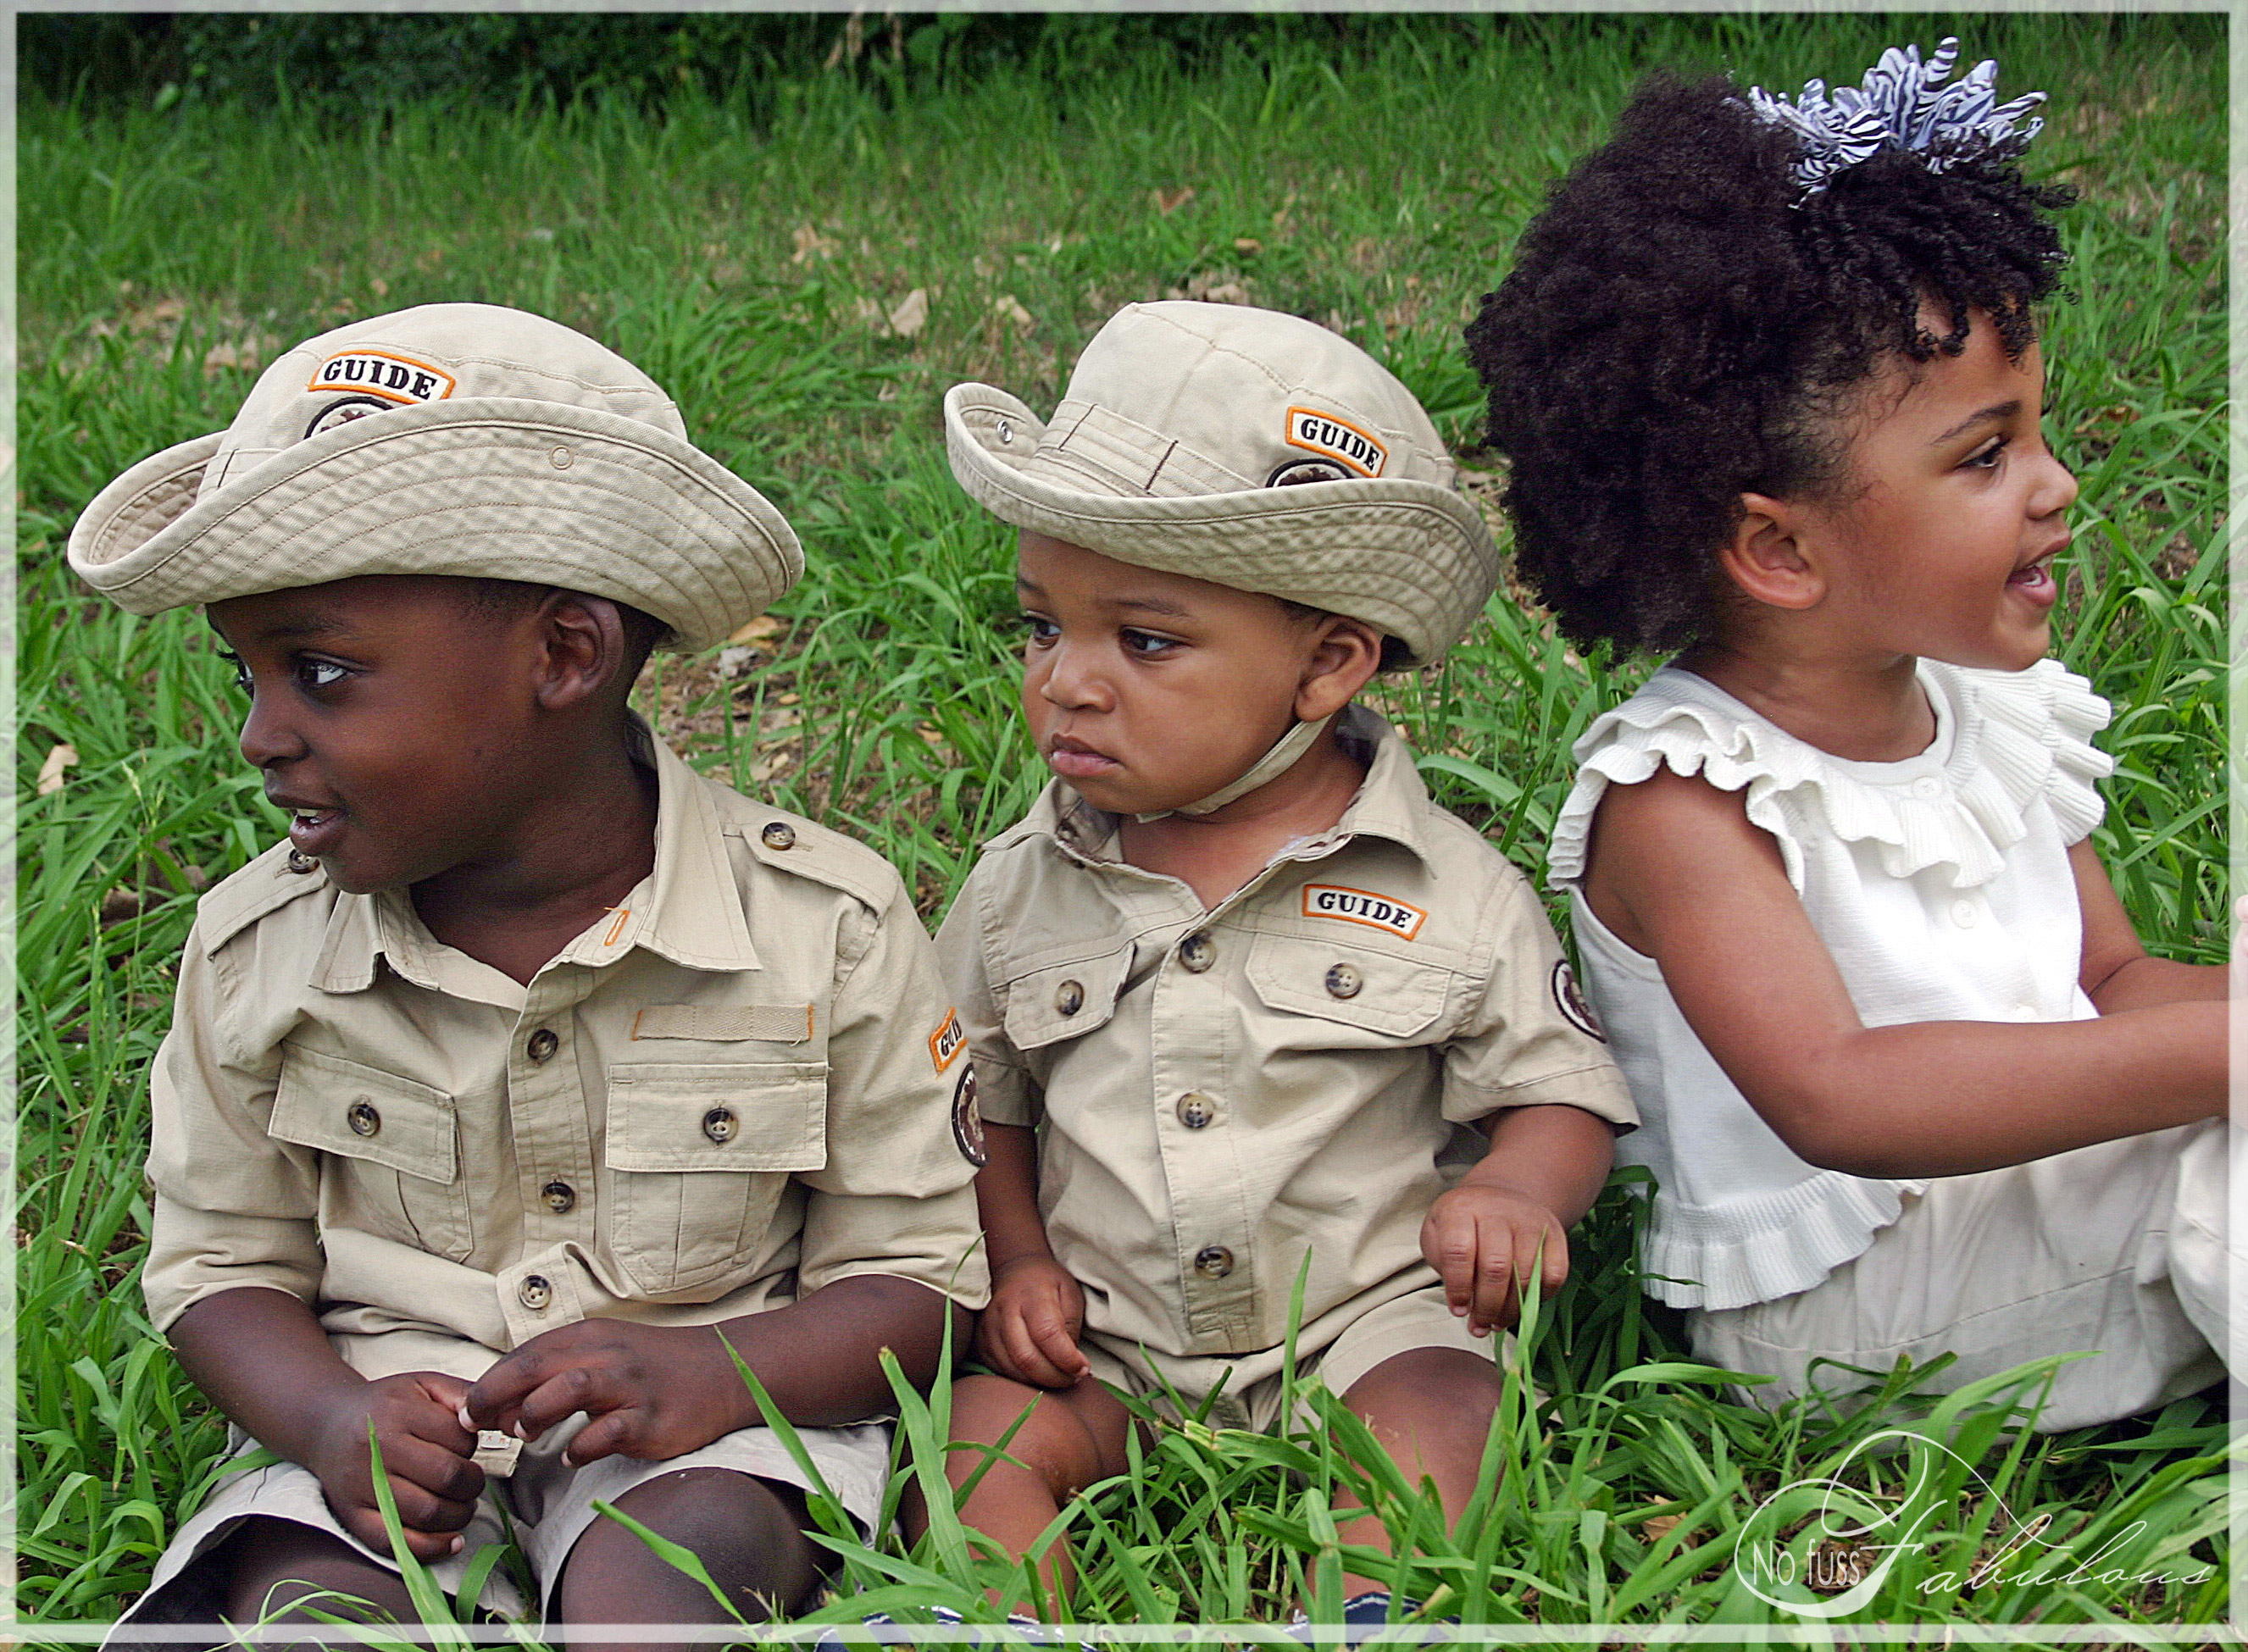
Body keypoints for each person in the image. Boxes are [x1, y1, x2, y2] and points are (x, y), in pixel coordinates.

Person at [69, 303, 991, 1646]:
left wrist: (715, 1371)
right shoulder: (256, 947)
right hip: (375, 1432)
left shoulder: (821, 924)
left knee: (668, 1579)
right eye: (250, 674)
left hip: (706, 1435)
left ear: (565, 657)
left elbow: (918, 1275)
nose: (264, 734)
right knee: (303, 1613)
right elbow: (219, 1264)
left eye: (320, 673)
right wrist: (331, 1418)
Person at [1465, 41, 2234, 1431]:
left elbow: (2108, 979)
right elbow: (1837, 1094)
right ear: (1776, 547)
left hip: (2027, 1200)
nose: (2057, 486)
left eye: (2037, 434)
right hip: (1848, 1293)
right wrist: (2219, 1059)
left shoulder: (1985, 713)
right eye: (1984, 454)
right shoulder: (1684, 797)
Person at [926, 302, 1637, 1630]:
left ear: (1325, 664)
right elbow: (983, 1101)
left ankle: (1366, 1599)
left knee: (1441, 1411)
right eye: (1039, 627)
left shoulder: (1445, 891)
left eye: (1142, 640)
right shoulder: (1019, 887)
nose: (1064, 682)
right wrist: (1017, 1260)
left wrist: (1524, 1192)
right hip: (1108, 1335)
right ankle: (983, 1608)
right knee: (982, 1437)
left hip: (1364, 1320)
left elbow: (1556, 1087)